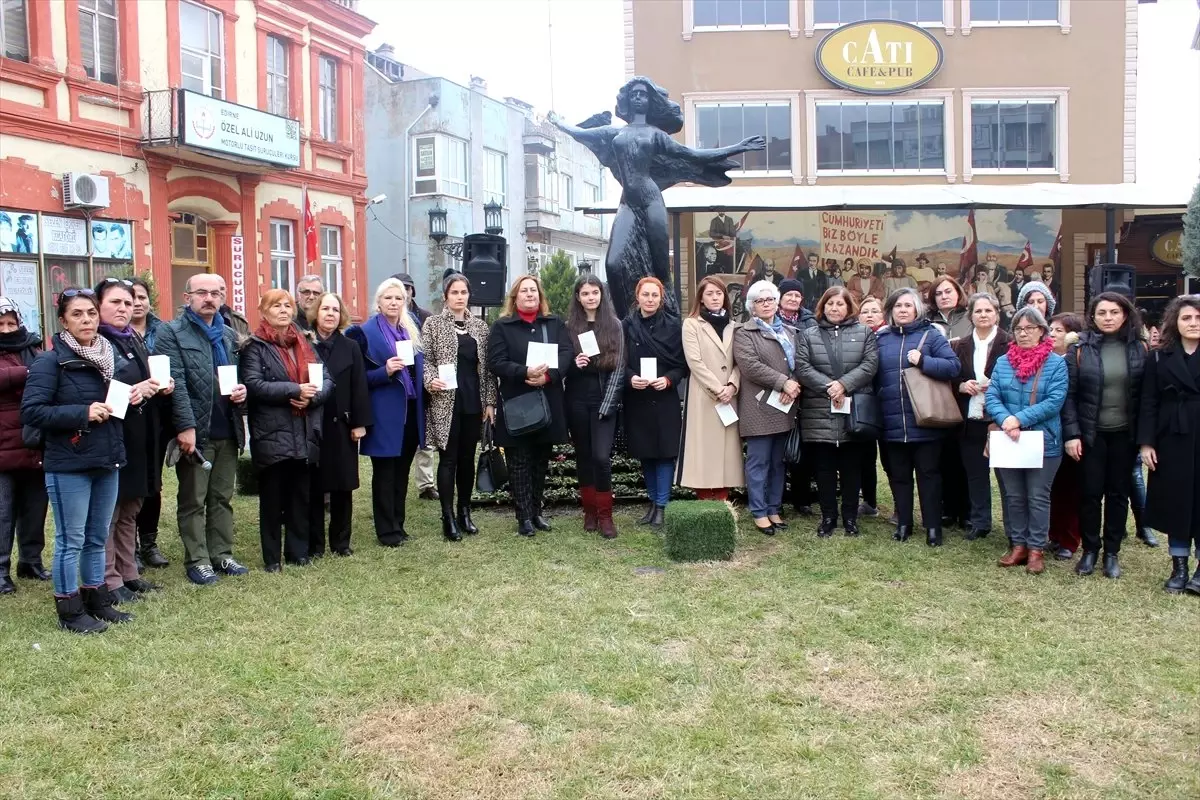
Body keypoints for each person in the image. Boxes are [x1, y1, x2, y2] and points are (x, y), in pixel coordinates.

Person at [550, 77, 765, 317]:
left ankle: (668, 319)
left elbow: (693, 155)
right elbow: (580, 134)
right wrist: (558, 121)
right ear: (628, 101)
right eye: (634, 95)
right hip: (628, 204)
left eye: (643, 94)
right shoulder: (615, 133)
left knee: (661, 269)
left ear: (650, 101)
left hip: (651, 201)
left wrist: (739, 147)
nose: (639, 98)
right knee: (613, 264)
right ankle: (625, 322)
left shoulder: (656, 135)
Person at [21, 289, 129, 633]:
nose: (87, 320)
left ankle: (96, 598)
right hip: (68, 462)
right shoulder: (50, 361)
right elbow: (32, 411)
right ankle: (69, 609)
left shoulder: (108, 355)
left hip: (106, 457)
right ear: (64, 321)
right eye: (78, 314)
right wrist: (82, 413)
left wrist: (133, 396)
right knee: (71, 539)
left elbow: (113, 405)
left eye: (92, 314)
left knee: (97, 536)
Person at [156, 274, 249, 585]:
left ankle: (221, 554)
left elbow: (234, 375)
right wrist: (185, 426)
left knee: (222, 497)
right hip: (197, 430)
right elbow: (176, 383)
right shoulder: (171, 333)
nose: (209, 298)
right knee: (194, 499)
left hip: (228, 427)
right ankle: (198, 559)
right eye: (202, 293)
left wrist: (241, 393)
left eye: (216, 293)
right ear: (188, 298)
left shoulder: (226, 334)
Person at [242, 290, 332, 570]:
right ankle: (272, 558)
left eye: (287, 305)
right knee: (272, 498)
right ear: (263, 311)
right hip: (272, 431)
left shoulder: (304, 342)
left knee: (299, 496)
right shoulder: (254, 346)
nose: (283, 310)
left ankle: (298, 552)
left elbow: (326, 378)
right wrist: (293, 390)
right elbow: (253, 384)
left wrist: (312, 396)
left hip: (304, 430)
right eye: (276, 306)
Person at [95, 279, 169, 603]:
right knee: (111, 513)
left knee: (130, 509)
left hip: (140, 438)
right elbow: (96, 395)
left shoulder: (134, 338)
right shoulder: (96, 343)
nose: (124, 308)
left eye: (129, 302)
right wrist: (136, 392)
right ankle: (110, 580)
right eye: (116, 302)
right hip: (112, 438)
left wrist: (161, 387)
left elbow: (141, 385)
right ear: (99, 306)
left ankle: (129, 574)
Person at [1063, 292, 1146, 579]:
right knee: (1089, 493)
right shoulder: (1079, 349)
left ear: (1125, 315)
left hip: (1125, 435)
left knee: (1118, 494)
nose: (1108, 318)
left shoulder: (1140, 348)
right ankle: (1090, 550)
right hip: (1090, 435)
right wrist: (1072, 434)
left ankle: (1111, 553)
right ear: (1092, 317)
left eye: (1114, 312)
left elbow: (1146, 397)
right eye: (1102, 313)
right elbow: (1069, 396)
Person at [486, 274, 572, 537]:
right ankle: (523, 517)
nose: (529, 294)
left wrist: (548, 376)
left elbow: (566, 353)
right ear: (515, 297)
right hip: (518, 403)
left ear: (540, 295)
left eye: (533, 290)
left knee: (540, 461)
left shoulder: (554, 323)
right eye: (524, 291)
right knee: (519, 462)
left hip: (548, 401)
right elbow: (496, 362)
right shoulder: (502, 327)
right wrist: (524, 372)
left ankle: (537, 512)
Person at [874, 288, 961, 545]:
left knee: (929, 475)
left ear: (917, 309)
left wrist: (923, 361)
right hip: (891, 421)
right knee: (899, 476)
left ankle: (933, 527)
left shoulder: (931, 335)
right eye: (898, 306)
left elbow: (953, 367)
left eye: (908, 306)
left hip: (926, 421)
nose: (903, 310)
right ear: (891, 310)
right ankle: (904, 524)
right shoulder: (881, 339)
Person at [986, 307, 1069, 574]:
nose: (1023, 334)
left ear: (1042, 331)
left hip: (1045, 441)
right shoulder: (1002, 361)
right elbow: (992, 396)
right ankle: (1018, 545)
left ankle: (1036, 549)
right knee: (1013, 496)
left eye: (1029, 328)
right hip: (1009, 439)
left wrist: (1017, 419)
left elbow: (1055, 401)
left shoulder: (1056, 363)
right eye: (1019, 329)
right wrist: (1005, 419)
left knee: (1037, 496)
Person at [348, 278, 426, 547]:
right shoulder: (364, 333)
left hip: (409, 411)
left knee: (402, 472)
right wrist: (385, 371)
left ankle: (398, 525)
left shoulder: (410, 329)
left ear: (405, 302)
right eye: (388, 298)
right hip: (383, 412)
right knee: (384, 474)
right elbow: (357, 379)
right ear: (378, 302)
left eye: (399, 298)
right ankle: (386, 530)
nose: (394, 303)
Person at [796, 286, 880, 537]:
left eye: (840, 304)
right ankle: (828, 517)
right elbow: (802, 366)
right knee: (824, 470)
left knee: (852, 469)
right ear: (823, 306)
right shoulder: (808, 334)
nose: (835, 308)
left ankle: (850, 519)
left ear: (849, 307)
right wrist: (829, 387)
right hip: (818, 410)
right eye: (830, 303)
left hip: (851, 411)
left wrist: (844, 384)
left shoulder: (864, 333)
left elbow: (870, 364)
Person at [421, 273, 496, 541]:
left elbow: (487, 370)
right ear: (445, 296)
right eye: (454, 292)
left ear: (469, 296)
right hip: (445, 402)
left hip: (472, 401)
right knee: (449, 459)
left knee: (467, 460)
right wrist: (431, 380)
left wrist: (489, 402)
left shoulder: (480, 327)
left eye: (463, 292)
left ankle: (465, 512)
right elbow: (425, 360)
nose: (459, 297)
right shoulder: (433, 324)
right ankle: (448, 516)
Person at [1138, 295, 1200, 594]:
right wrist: (1146, 443)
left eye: (1198, 318)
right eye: (1187, 318)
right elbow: (1148, 401)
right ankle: (1179, 567)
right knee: (1176, 502)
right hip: (1170, 438)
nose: (1193, 323)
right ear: (1175, 322)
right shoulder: (1159, 355)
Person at [734, 280, 801, 534]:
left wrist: (794, 383)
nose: (766, 304)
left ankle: (774, 508)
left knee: (778, 462)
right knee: (759, 461)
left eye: (770, 299)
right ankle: (759, 511)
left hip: (785, 406)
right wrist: (783, 382)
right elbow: (750, 365)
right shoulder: (744, 332)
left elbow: (799, 364)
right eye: (760, 301)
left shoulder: (790, 332)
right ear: (752, 306)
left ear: (777, 302)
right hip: (759, 406)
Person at [309, 292, 371, 557]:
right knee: (313, 486)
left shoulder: (350, 347)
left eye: (335, 309)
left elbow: (360, 386)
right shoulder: (304, 344)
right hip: (311, 423)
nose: (330, 314)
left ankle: (341, 542)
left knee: (343, 486)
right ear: (316, 313)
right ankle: (314, 544)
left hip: (342, 424)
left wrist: (360, 423)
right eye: (325, 309)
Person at [623, 277, 687, 529]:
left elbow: (682, 364)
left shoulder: (674, 326)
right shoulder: (625, 326)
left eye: (655, 295)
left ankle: (662, 505)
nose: (650, 299)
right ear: (637, 297)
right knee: (645, 454)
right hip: (637, 397)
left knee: (664, 454)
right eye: (645, 294)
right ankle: (652, 503)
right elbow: (620, 361)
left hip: (664, 398)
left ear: (661, 299)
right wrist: (630, 378)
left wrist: (668, 380)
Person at [564, 275, 625, 538]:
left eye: (595, 292)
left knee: (601, 458)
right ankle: (589, 512)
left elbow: (620, 368)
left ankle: (605, 516)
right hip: (576, 400)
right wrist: (571, 364)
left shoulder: (615, 325)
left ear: (602, 295)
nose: (591, 297)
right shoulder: (568, 327)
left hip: (603, 402)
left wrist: (607, 405)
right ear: (578, 297)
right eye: (585, 293)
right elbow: (559, 365)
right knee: (584, 458)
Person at [951, 293, 1010, 541]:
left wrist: (995, 384)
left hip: (1002, 420)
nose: (983, 315)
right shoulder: (959, 345)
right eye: (978, 311)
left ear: (996, 313)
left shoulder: (1011, 342)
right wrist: (962, 386)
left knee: (1008, 478)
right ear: (971, 315)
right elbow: (950, 376)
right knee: (975, 473)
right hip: (971, 418)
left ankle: (1013, 527)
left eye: (988, 310)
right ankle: (980, 522)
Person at [679, 276, 743, 504]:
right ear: (701, 298)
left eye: (718, 293)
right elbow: (694, 361)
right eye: (710, 294)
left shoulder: (735, 326)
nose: (715, 297)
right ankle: (705, 501)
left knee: (727, 452)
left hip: (729, 396)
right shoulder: (692, 324)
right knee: (705, 449)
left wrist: (732, 386)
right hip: (705, 396)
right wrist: (718, 389)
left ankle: (723, 501)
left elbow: (739, 362)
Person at [0, 298, 47, 595]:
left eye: (11, 323)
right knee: (2, 512)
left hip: (34, 443)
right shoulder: (34, 362)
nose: (6, 330)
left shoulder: (34, 349)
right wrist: (29, 374)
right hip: (2, 448)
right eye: (0, 324)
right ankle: (1, 569)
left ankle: (30, 561)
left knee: (35, 508)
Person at [130, 277, 170, 569]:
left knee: (153, 483)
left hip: (157, 412)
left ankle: (149, 543)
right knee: (129, 484)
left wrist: (170, 384)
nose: (136, 303)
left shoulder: (163, 331)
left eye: (141, 297)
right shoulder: (112, 335)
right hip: (127, 414)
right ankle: (127, 545)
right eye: (130, 298)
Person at [393, 272, 440, 502]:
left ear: (412, 291)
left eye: (408, 288)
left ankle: (426, 484)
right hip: (398, 384)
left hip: (424, 384)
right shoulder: (388, 318)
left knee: (426, 439)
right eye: (400, 288)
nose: (404, 292)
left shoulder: (425, 317)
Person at [1047, 313, 1084, 559]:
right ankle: (1053, 534)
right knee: (1051, 488)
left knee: (1070, 489)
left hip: (1070, 431)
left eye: (1058, 330)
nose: (1052, 334)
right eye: (1050, 329)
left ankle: (1069, 540)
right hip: (1048, 431)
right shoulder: (1046, 360)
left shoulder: (1078, 360)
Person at [857, 296, 886, 518]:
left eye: (874, 311)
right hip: (864, 404)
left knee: (890, 459)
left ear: (883, 315)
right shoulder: (855, 337)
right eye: (865, 311)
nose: (869, 315)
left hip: (888, 404)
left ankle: (899, 506)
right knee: (865, 456)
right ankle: (869, 501)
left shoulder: (890, 336)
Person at [927, 276, 971, 341]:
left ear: (958, 292)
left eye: (948, 292)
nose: (944, 297)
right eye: (938, 294)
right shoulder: (926, 321)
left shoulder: (970, 317)